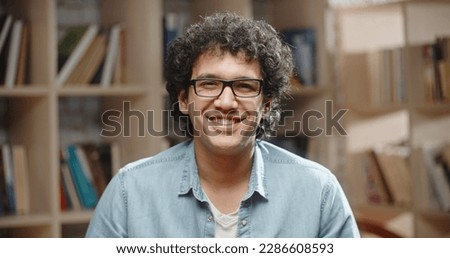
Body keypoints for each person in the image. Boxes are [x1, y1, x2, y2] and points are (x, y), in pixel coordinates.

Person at [86, 12, 360, 238]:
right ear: (183, 99)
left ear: (266, 103)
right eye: (208, 84)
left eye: (244, 86)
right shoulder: (128, 193)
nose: (226, 102)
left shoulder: (319, 192)